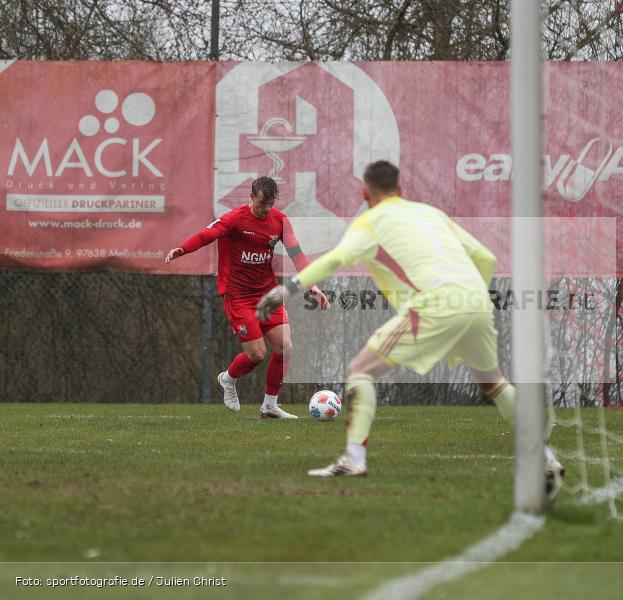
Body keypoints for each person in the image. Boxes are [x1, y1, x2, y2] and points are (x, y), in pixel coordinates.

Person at [256, 161, 563, 486]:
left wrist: (287, 289)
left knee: (360, 371)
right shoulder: (431, 213)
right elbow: (487, 259)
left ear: (365, 193)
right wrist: (470, 302)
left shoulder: (369, 223)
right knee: (494, 382)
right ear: (400, 189)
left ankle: (354, 460)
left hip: (434, 305)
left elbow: (335, 260)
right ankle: (545, 458)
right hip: (477, 302)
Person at [166, 176, 330, 418]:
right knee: (257, 354)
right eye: (263, 204)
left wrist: (312, 283)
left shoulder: (280, 220)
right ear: (252, 197)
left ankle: (270, 406)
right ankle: (228, 378)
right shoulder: (235, 219)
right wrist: (183, 249)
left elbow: (296, 252)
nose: (267, 209)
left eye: (271, 204)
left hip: (267, 293)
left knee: (285, 346)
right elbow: (207, 235)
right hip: (238, 296)